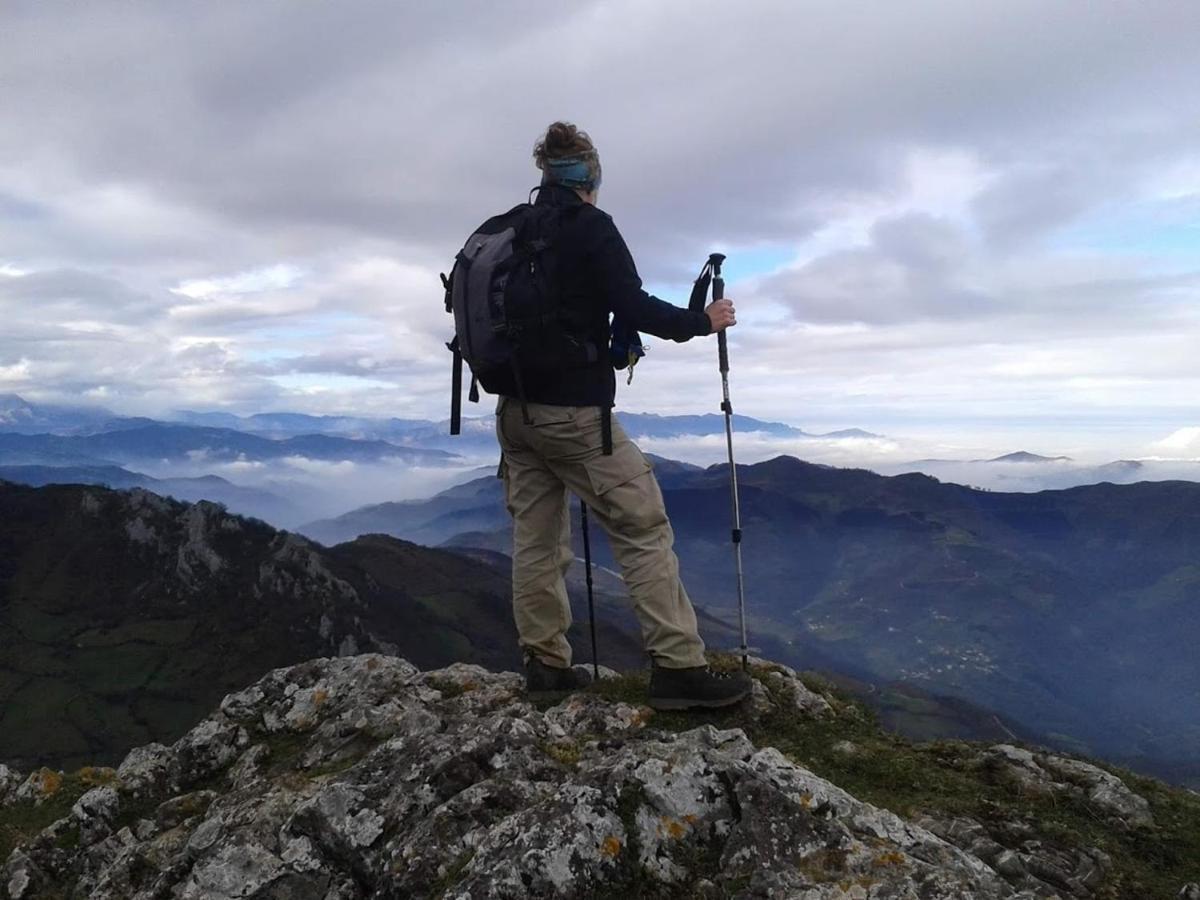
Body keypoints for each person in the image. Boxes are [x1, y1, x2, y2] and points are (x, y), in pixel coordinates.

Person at [493, 121, 752, 710]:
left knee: (536, 537)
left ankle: (546, 667)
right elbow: (630, 304)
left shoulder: (514, 229)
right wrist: (701, 321)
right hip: (575, 416)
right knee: (643, 525)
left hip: (515, 412)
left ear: (544, 174)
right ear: (590, 175)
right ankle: (679, 668)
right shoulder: (591, 228)